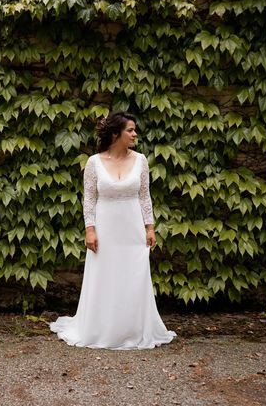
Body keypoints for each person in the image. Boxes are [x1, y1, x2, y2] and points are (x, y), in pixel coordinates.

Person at [50, 111, 176, 349]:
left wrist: (150, 228)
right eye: (130, 130)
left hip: (132, 228)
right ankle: (102, 328)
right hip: (105, 228)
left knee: (134, 276)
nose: (135, 134)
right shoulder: (94, 163)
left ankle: (133, 328)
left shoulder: (141, 160)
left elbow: (144, 196)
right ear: (116, 134)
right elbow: (89, 199)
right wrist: (90, 230)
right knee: (105, 275)